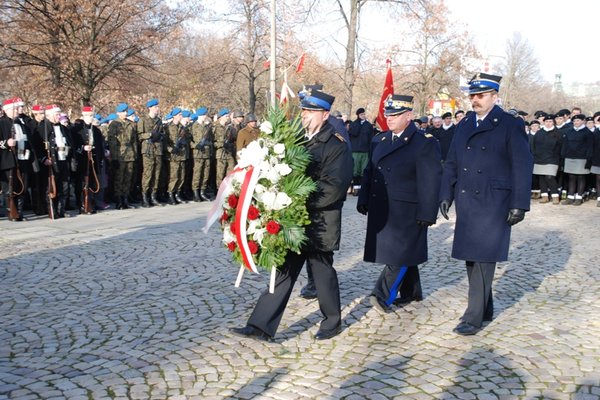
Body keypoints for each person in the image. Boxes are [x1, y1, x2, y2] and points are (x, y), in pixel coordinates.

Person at [230, 89, 353, 341]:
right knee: (284, 270)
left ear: (325, 114)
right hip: (292, 219)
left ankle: (332, 321)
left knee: (321, 270)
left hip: (320, 220)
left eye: (311, 112)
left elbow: (334, 187)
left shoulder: (336, 144)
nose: (305, 116)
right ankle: (260, 325)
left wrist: (295, 199)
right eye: (304, 111)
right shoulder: (295, 139)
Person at [439, 72, 533, 335]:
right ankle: (486, 307)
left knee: (483, 258)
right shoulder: (465, 124)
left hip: (495, 200)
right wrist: (445, 194)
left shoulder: (509, 124)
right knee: (472, 257)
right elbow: (452, 162)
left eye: (481, 95)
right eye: (472, 95)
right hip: (468, 199)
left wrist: (520, 203)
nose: (475, 100)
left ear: (495, 96)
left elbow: (522, 165)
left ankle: (473, 317)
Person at [356, 94, 441, 312]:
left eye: (395, 115)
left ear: (409, 116)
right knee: (403, 249)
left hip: (408, 208)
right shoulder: (380, 140)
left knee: (400, 253)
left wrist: (428, 212)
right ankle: (412, 292)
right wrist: (364, 197)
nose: (390, 118)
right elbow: (369, 172)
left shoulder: (424, 142)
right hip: (384, 207)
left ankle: (382, 295)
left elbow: (430, 180)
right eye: (388, 114)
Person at [71, 106, 106, 214]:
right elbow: (73, 145)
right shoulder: (77, 130)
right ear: (83, 116)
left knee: (92, 182)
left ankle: (91, 203)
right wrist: (82, 148)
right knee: (82, 183)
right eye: (87, 116)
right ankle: (82, 203)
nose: (89, 118)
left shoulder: (96, 130)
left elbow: (100, 146)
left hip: (93, 160)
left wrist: (100, 159)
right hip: (82, 160)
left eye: (91, 116)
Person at [107, 103, 137, 210]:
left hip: (130, 154)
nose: (125, 113)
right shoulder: (114, 124)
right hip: (120, 154)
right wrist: (114, 157)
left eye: (126, 111)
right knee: (119, 179)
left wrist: (135, 153)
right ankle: (119, 201)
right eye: (123, 111)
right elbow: (112, 142)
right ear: (118, 113)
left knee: (128, 179)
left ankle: (125, 199)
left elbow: (134, 141)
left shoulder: (131, 124)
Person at [137, 98, 165, 208]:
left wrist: (160, 136)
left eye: (157, 107)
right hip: (148, 150)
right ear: (150, 108)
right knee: (148, 174)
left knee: (156, 174)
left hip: (157, 149)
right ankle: (145, 197)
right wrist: (149, 135)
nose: (157, 109)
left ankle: (153, 196)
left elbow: (162, 133)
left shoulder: (159, 121)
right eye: (155, 107)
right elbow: (139, 135)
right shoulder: (143, 120)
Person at [560, 113, 593, 206]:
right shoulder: (569, 131)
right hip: (570, 157)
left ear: (583, 121)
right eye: (574, 121)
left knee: (581, 177)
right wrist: (563, 157)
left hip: (582, 158)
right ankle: (570, 197)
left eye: (578, 120)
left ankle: (579, 197)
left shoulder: (587, 132)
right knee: (571, 177)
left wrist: (589, 159)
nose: (576, 122)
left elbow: (590, 147)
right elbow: (565, 145)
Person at [531, 115, 562, 204]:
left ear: (553, 123)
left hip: (552, 159)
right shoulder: (539, 133)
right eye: (547, 122)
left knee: (550, 177)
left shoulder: (558, 133)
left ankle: (555, 196)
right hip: (539, 158)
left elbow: (560, 147)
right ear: (544, 123)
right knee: (541, 177)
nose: (548, 123)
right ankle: (544, 196)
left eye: (550, 121)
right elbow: (534, 146)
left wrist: (559, 160)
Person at [348, 107, 374, 195]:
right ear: (358, 115)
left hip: (365, 151)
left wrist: (370, 149)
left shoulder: (369, 125)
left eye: (364, 114)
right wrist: (359, 123)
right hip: (355, 150)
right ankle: (356, 188)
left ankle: (362, 190)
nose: (363, 116)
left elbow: (371, 138)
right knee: (355, 171)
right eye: (361, 114)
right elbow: (354, 133)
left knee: (364, 171)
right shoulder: (354, 124)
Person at [191, 107, 214, 202]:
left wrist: (209, 144)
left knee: (205, 173)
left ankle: (202, 192)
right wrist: (195, 146)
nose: (205, 116)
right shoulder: (194, 126)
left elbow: (211, 139)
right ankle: (196, 192)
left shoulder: (207, 127)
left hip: (207, 152)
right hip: (198, 153)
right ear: (200, 115)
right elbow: (189, 140)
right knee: (197, 173)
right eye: (204, 115)